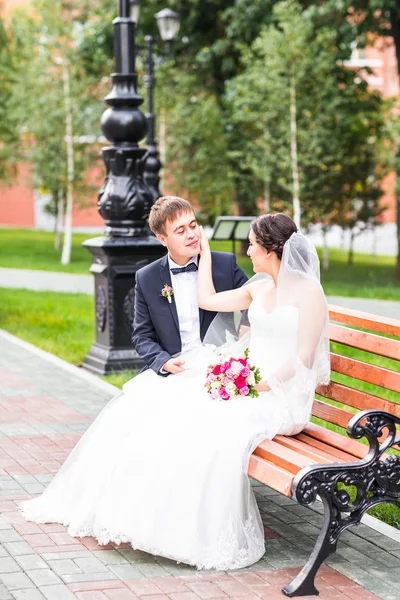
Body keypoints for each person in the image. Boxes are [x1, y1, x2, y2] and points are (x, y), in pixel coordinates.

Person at [20, 212, 330, 572]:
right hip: (249, 381)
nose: (247, 251)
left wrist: (255, 383)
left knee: (212, 426)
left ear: (272, 250)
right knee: (181, 412)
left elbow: (304, 358)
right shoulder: (260, 287)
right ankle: (156, 519)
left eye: (252, 244)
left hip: (282, 396)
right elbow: (207, 299)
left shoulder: (310, 293)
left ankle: (198, 530)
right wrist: (207, 254)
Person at [132, 196, 248, 376]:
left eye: (193, 226)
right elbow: (142, 336)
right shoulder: (147, 278)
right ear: (163, 239)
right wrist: (164, 362)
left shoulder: (225, 264)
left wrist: (242, 340)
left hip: (221, 368)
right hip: (175, 371)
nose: (192, 234)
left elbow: (254, 304)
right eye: (181, 230)